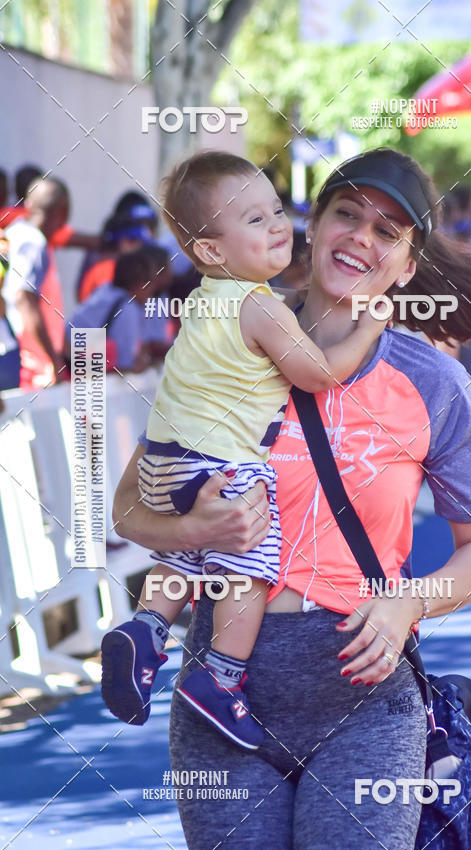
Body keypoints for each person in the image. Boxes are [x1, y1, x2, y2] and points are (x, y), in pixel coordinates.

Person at [111, 148, 471, 850]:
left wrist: (413, 599)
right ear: (313, 226)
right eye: (348, 213)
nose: (361, 238)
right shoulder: (225, 336)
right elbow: (126, 508)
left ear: (407, 265)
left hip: (362, 702)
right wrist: (195, 532)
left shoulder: (427, 378)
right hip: (224, 697)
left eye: (389, 230)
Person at [101, 151, 389, 750]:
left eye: (278, 209)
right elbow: (317, 374)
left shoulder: (204, 300)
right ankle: (221, 679)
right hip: (217, 462)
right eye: (255, 221)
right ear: (211, 249)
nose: (279, 225)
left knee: (188, 554)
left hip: (163, 463)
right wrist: (367, 328)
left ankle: (148, 629)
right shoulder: (259, 305)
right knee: (251, 562)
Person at [1, 177, 69, 389]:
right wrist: (53, 360)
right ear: (64, 213)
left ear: (28, 205)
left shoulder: (15, 233)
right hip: (30, 364)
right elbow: (24, 299)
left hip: (20, 358)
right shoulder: (33, 242)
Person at [64, 247, 156, 372]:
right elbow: (124, 365)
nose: (151, 292)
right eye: (150, 284)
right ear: (140, 284)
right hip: (84, 372)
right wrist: (141, 366)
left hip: (69, 360)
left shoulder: (105, 289)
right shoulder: (128, 308)